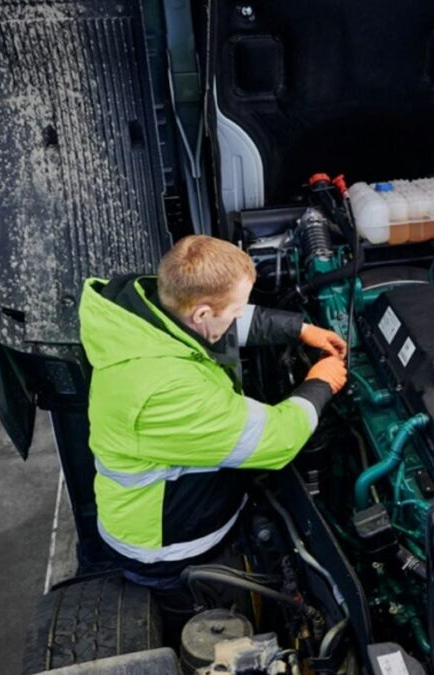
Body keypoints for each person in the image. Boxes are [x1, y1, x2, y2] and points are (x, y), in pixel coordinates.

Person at [78, 234, 347, 629]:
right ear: (202, 314)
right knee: (212, 626)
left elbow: (229, 317)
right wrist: (321, 383)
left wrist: (298, 329)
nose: (240, 316)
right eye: (236, 309)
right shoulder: (164, 390)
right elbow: (274, 439)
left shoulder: (151, 308)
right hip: (168, 551)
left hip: (176, 510)